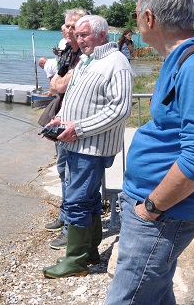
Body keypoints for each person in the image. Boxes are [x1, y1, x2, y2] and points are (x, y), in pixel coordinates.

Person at [104, 0, 194, 304]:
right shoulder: (185, 58)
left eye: (136, 13)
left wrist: (150, 208)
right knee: (157, 295)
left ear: (149, 18)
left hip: (162, 214)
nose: (136, 20)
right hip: (157, 209)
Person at [42, 14, 133, 279]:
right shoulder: (87, 60)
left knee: (77, 201)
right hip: (77, 144)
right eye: (77, 35)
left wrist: (78, 128)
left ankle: (75, 261)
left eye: (84, 35)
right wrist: (60, 119)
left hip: (91, 147)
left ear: (102, 35)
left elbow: (120, 109)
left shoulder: (117, 62)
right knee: (90, 199)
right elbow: (74, 97)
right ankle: (90, 252)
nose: (78, 39)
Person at [42, 8, 86, 250]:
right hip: (61, 117)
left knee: (73, 174)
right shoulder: (69, 51)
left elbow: (59, 85)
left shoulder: (85, 55)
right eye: (67, 26)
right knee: (62, 169)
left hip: (76, 123)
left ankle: (71, 228)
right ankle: (64, 215)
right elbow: (56, 84)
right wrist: (57, 82)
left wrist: (56, 81)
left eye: (73, 26)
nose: (69, 30)